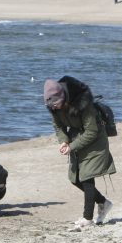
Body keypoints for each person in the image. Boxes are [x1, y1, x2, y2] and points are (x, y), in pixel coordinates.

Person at [43, 77, 116, 230]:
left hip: (95, 140)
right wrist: (63, 141)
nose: (55, 108)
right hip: (76, 138)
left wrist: (72, 146)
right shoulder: (53, 107)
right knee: (75, 179)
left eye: (56, 104)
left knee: (87, 178)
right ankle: (103, 203)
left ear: (63, 97)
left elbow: (92, 131)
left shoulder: (83, 104)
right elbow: (58, 126)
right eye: (52, 106)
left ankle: (87, 219)